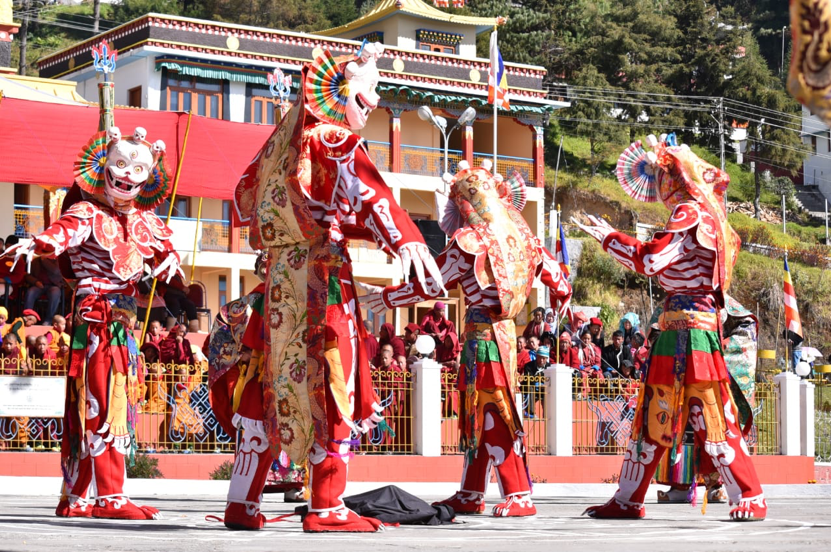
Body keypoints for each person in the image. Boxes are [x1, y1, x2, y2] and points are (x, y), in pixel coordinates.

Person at [233, 42, 445, 532]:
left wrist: (372, 233)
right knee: (334, 379)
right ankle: (327, 506)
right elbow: (372, 192)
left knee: (268, 383)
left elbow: (244, 203)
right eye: (369, 91)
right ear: (339, 90)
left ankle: (241, 503)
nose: (374, 102)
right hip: (323, 281)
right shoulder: (336, 140)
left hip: (280, 278)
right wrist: (408, 239)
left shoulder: (285, 146)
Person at [363, 160, 572, 517]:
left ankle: (519, 492)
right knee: (479, 412)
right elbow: (560, 281)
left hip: (484, 339)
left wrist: (385, 298)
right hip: (503, 333)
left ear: (463, 202)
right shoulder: (524, 236)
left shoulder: (471, 241)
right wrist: (558, 305)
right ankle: (472, 490)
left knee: (493, 409)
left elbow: (432, 283)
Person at [577, 133, 766, 521]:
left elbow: (651, 261)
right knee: (653, 418)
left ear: (671, 178)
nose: (660, 187)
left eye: (661, 176)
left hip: (691, 333)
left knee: (711, 416)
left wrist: (609, 239)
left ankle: (750, 494)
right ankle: (628, 498)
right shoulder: (711, 215)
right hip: (684, 328)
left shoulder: (689, 213)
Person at [8, 122, 180, 520]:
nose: (125, 175)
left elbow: (165, 252)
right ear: (103, 165)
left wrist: (168, 262)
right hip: (97, 318)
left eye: (136, 170)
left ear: (149, 178)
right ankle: (111, 497)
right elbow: (60, 235)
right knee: (103, 402)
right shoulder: (87, 211)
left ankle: (77, 496)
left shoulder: (146, 220)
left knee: (104, 402)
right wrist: (34, 244)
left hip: (124, 321)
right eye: (119, 164)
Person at [206, 251, 306, 521]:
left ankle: (253, 501)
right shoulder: (251, 304)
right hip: (261, 378)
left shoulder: (258, 302)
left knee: (265, 435)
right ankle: (249, 501)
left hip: (265, 377)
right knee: (260, 432)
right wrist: (245, 355)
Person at [23, 256, 64, 325]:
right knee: (31, 292)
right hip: (38, 285)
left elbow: (55, 270)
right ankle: (27, 317)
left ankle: (48, 320)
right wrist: (36, 282)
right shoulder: (35, 261)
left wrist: (44, 260)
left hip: (53, 285)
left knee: (55, 293)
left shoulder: (57, 260)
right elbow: (27, 275)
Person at [522, 345, 549, 418]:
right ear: (536, 356)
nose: (541, 360)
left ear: (547, 358)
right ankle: (532, 413)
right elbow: (528, 379)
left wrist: (544, 385)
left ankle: (547, 415)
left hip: (544, 389)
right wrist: (538, 384)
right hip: (532, 388)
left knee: (549, 391)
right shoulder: (528, 366)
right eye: (540, 357)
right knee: (530, 388)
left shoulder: (549, 367)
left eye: (543, 358)